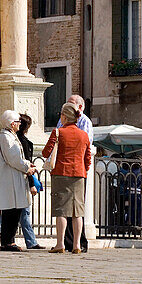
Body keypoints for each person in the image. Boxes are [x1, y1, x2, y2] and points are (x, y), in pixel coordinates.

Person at [0, 113, 45, 250]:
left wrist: (27, 166)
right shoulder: (6, 138)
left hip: (14, 179)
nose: (19, 124)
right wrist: (27, 167)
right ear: (12, 124)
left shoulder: (10, 137)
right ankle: (7, 242)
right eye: (18, 122)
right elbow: (14, 158)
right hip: (10, 180)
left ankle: (8, 241)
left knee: (14, 211)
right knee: (11, 212)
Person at [42, 102, 92, 254]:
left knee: (61, 210)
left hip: (61, 173)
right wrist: (83, 169)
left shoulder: (58, 132)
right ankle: (77, 245)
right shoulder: (83, 135)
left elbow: (46, 153)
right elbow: (88, 158)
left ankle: (60, 244)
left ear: (64, 116)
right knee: (78, 211)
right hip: (79, 174)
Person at [58, 94, 93, 252]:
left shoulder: (85, 122)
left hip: (77, 170)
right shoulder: (62, 120)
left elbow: (86, 147)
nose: (68, 105)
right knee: (64, 208)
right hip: (67, 169)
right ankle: (67, 242)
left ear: (80, 107)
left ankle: (79, 243)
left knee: (77, 209)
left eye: (71, 103)